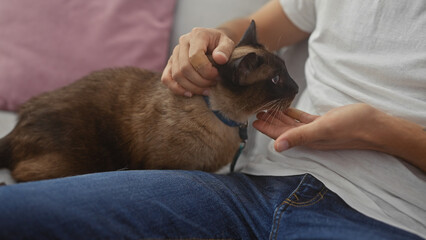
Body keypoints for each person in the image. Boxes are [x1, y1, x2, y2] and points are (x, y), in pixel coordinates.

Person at [0, 0, 425, 239]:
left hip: (381, 215)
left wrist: (380, 132)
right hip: (249, 187)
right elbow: (246, 29)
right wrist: (207, 43)